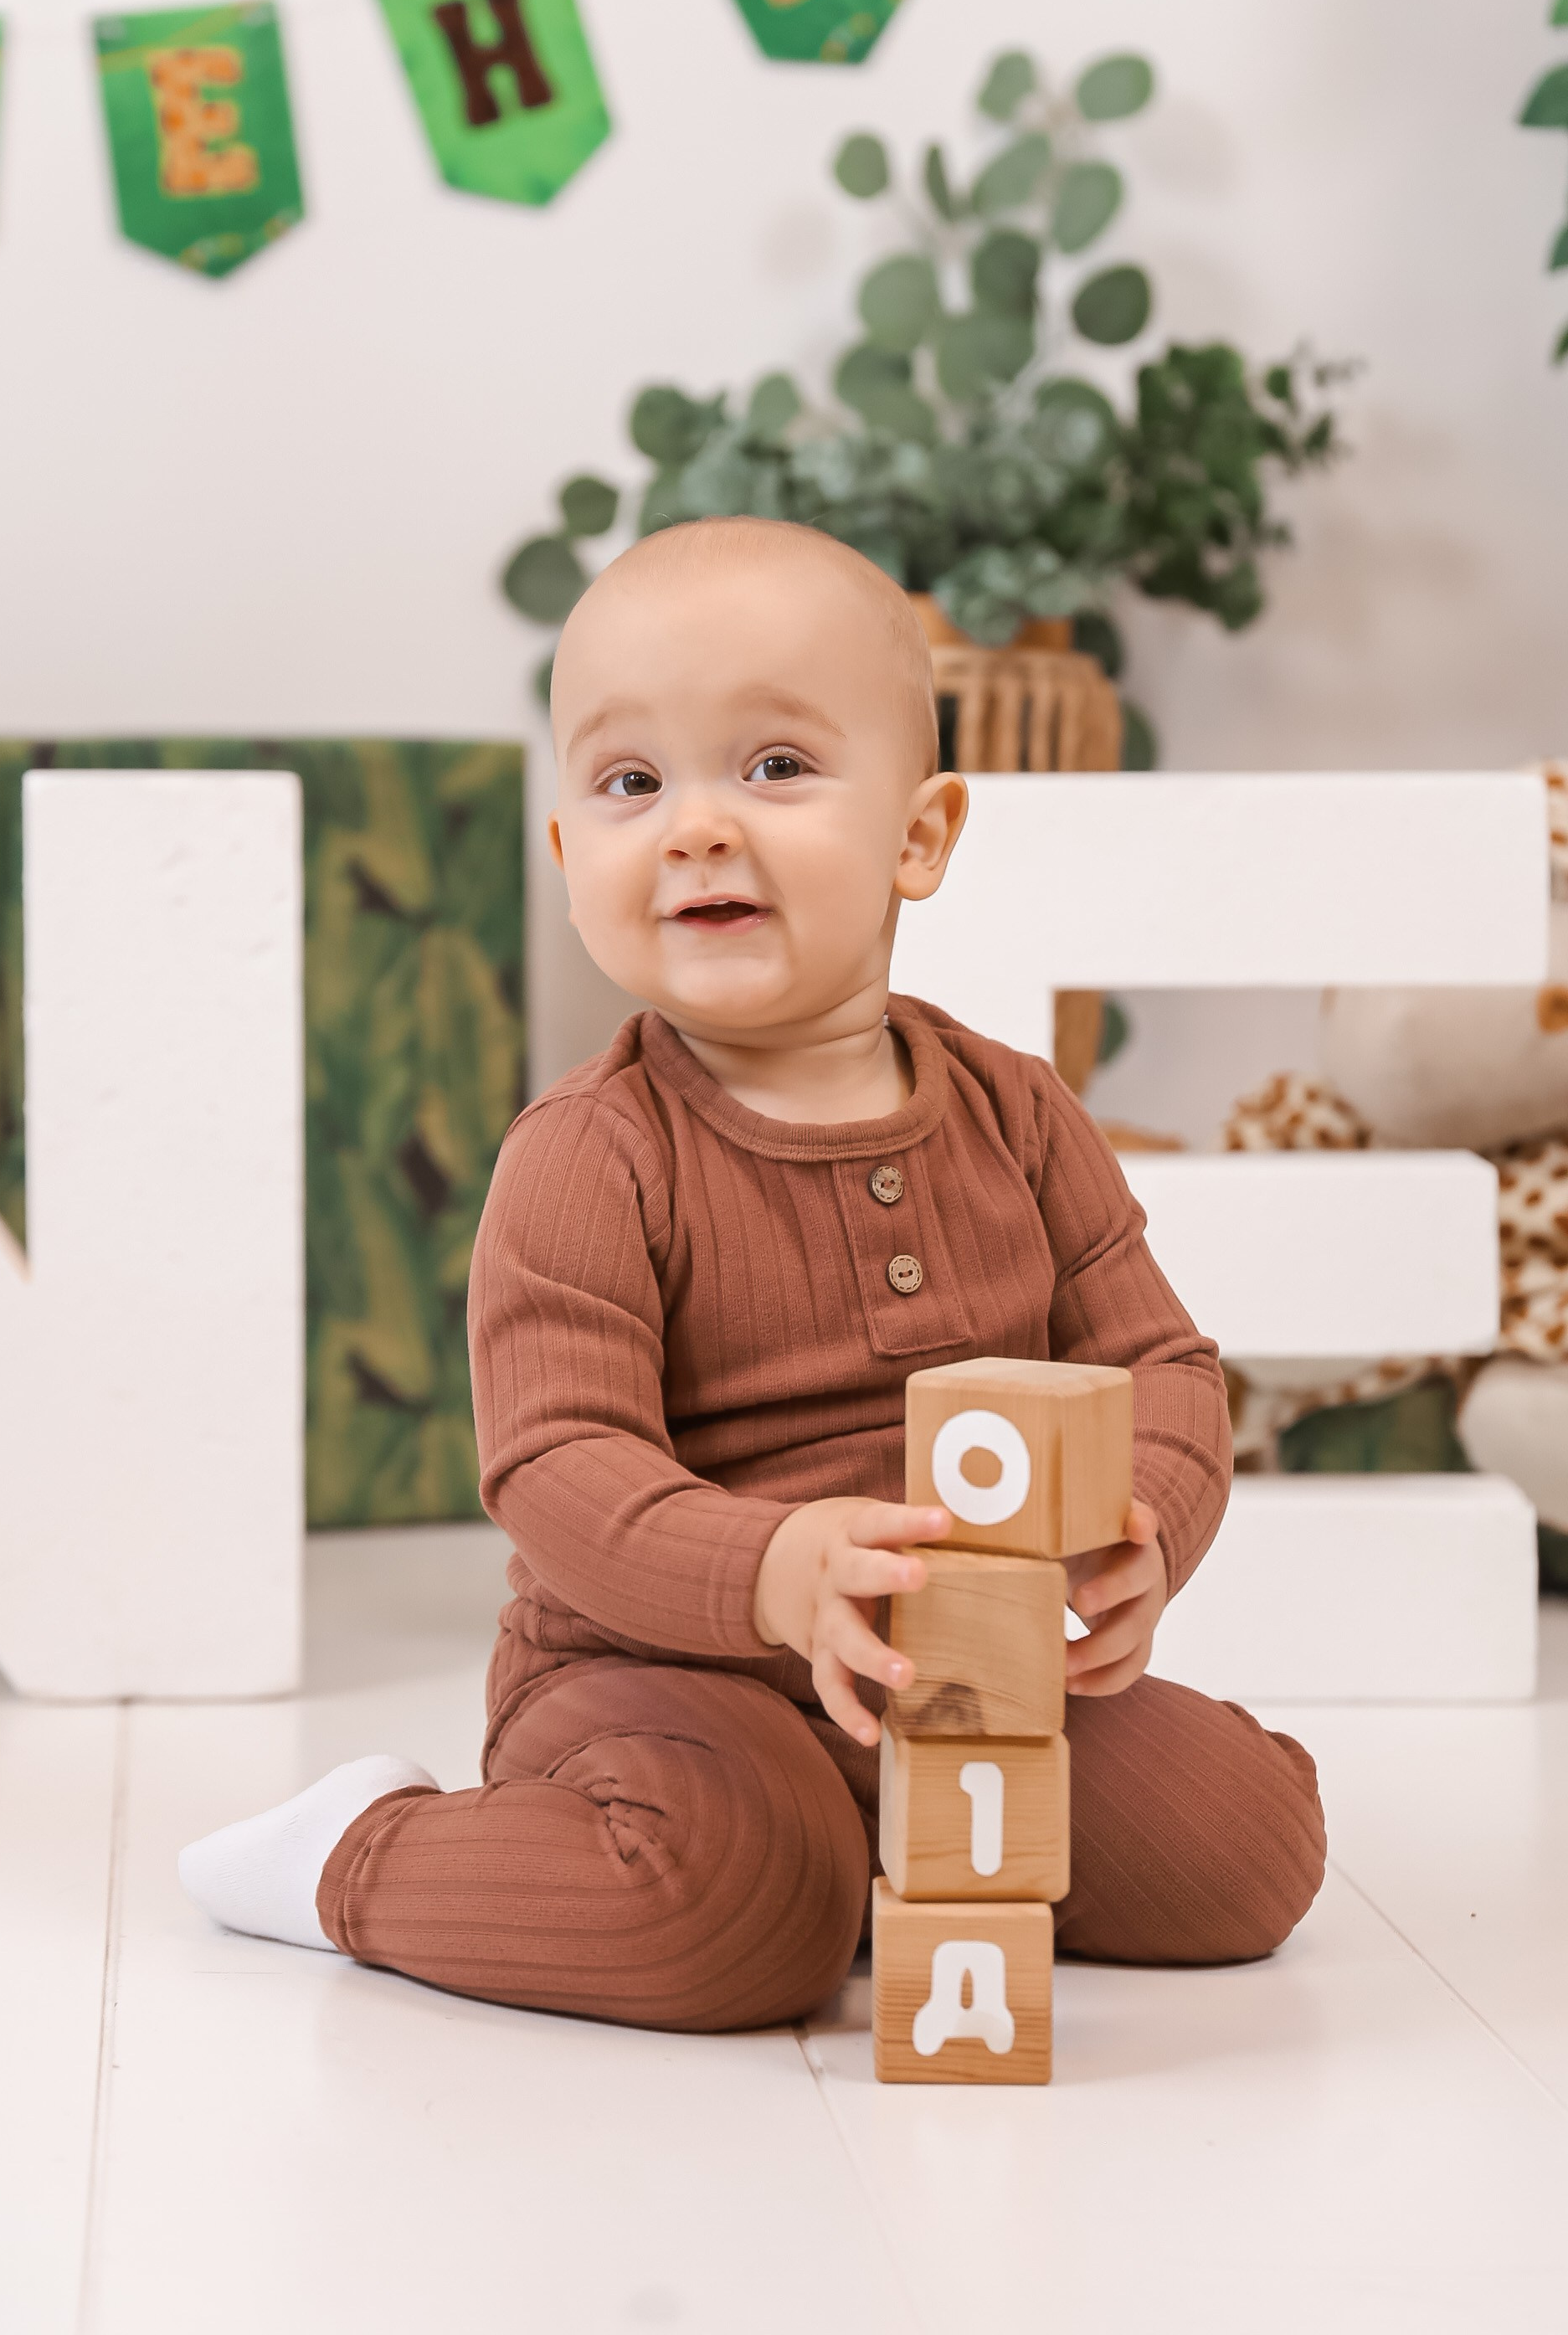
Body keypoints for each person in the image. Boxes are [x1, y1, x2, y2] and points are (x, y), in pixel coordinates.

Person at [180, 516, 1326, 2029]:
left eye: (774, 768)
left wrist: (1150, 1531)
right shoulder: (591, 1154)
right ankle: (357, 1855)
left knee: (1249, 1848)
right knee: (733, 1916)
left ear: (920, 835)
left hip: (951, 1670)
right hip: (657, 1678)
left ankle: (867, 1849)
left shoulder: (1019, 1112)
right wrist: (773, 1573)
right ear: (569, 854)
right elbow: (557, 1467)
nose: (696, 827)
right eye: (631, 783)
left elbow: (1159, 1367)